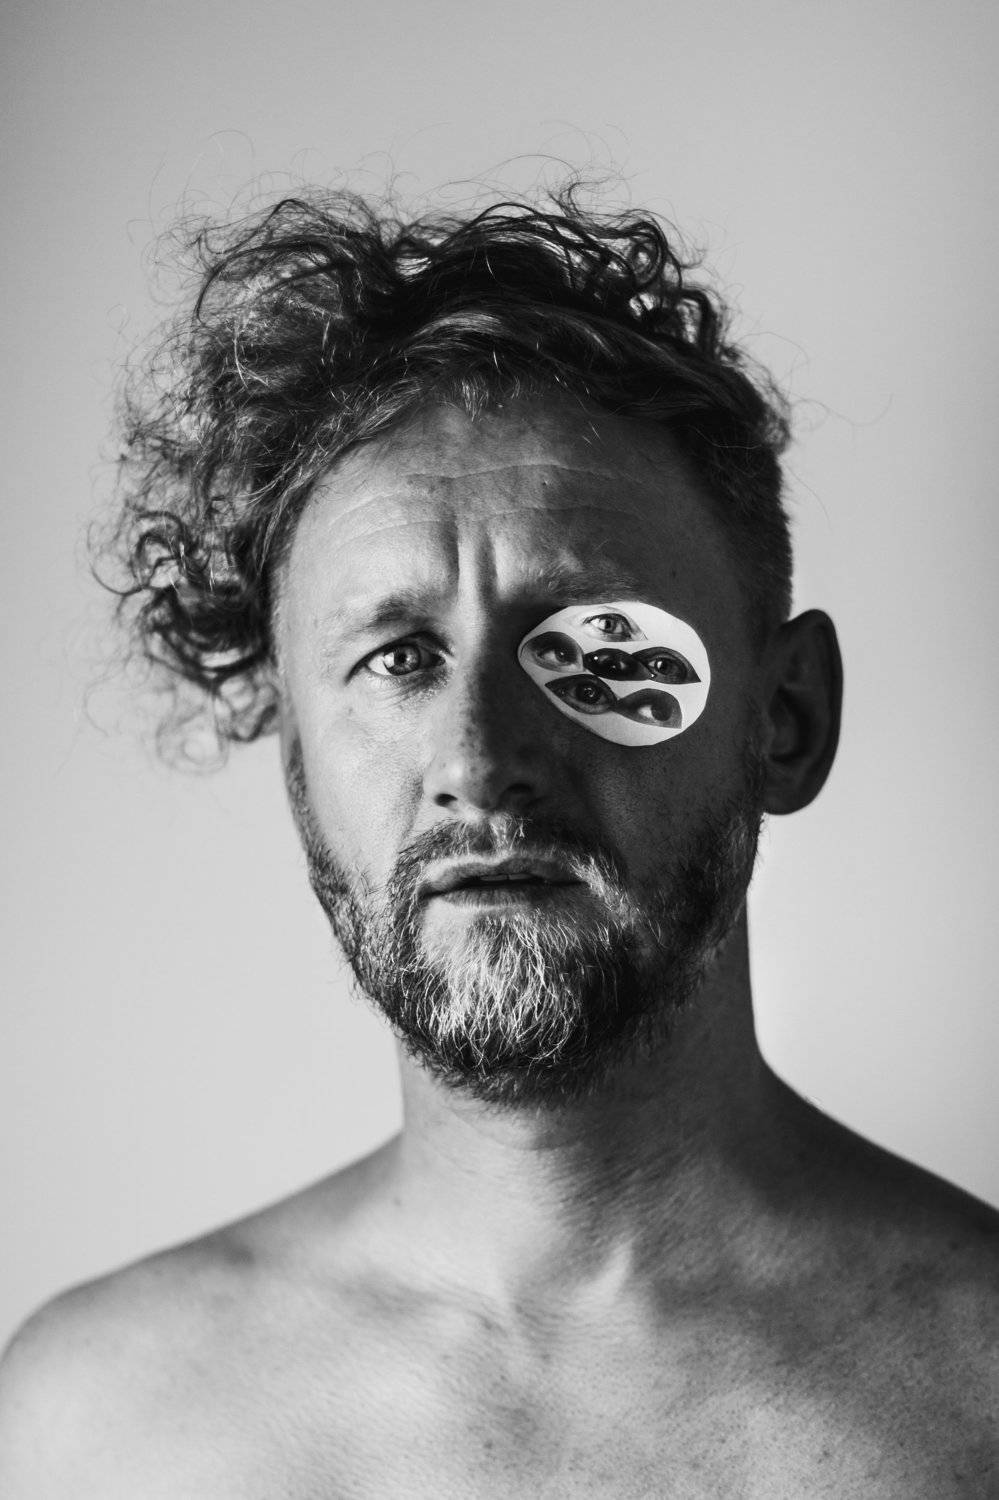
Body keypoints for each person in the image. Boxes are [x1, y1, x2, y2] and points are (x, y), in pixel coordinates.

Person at [1, 189, 995, 1498]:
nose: (478, 762)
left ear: (787, 718)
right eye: (398, 657)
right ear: (293, 750)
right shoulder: (89, 1430)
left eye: (594, 644)